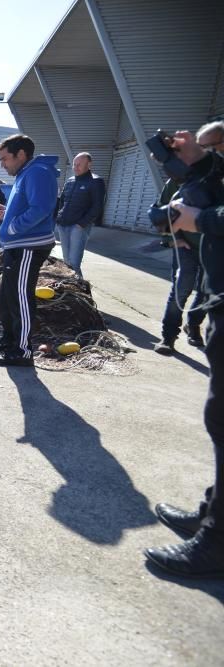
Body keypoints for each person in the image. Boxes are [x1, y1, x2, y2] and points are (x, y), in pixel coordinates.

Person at [145, 126, 224, 578]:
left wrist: (204, 221)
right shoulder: (208, 169)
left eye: (217, 148)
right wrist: (193, 160)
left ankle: (217, 541)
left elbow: (209, 210)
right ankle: (214, 512)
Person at [0, 134, 58, 367]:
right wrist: (8, 215)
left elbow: (41, 209)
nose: (2, 164)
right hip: (18, 245)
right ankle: (8, 340)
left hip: (28, 245)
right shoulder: (26, 173)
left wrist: (13, 226)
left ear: (21, 154)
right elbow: (29, 206)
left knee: (20, 297)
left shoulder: (37, 172)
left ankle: (23, 351)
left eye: (5, 159)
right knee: (8, 295)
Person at [153, 176, 208, 354]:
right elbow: (161, 210)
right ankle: (168, 337)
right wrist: (171, 239)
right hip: (186, 244)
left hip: (215, 247)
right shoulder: (183, 174)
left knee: (207, 292)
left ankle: (193, 324)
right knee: (181, 288)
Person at [55, 152, 106, 279]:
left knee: (74, 263)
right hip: (63, 225)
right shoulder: (70, 181)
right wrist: (58, 217)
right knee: (66, 262)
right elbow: (62, 201)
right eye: (74, 164)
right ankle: (70, 289)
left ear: (89, 164)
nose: (75, 167)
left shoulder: (96, 181)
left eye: (79, 165)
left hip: (78, 227)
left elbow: (98, 206)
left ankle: (80, 291)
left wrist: (81, 224)